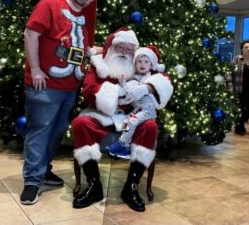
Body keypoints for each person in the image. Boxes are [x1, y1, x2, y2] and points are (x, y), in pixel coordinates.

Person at [71, 28, 173, 212]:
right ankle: (94, 184)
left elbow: (164, 79)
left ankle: (131, 186)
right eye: (121, 47)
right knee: (80, 124)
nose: (125, 52)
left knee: (149, 126)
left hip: (131, 116)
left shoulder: (140, 63)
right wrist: (115, 94)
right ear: (111, 47)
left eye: (129, 48)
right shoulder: (99, 65)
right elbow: (88, 90)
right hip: (101, 115)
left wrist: (148, 88)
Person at [20, 0, 100, 205]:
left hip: (70, 86)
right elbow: (31, 34)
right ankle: (32, 181)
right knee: (40, 130)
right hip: (44, 83)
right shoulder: (49, 5)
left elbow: (78, 50)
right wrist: (35, 69)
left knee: (56, 131)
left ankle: (43, 170)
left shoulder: (84, 19)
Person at [106, 45, 172, 159]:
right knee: (126, 122)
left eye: (146, 62)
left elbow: (158, 87)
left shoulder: (151, 78)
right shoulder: (132, 78)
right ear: (135, 64)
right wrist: (122, 83)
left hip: (148, 110)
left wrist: (145, 87)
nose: (142, 64)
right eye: (139, 61)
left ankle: (119, 144)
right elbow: (128, 93)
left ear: (151, 65)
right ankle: (126, 148)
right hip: (137, 109)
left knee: (132, 121)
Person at [227, 41, 249, 135]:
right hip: (239, 88)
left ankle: (240, 122)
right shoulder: (237, 59)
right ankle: (240, 127)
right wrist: (230, 87)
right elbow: (228, 73)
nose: (248, 49)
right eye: (246, 47)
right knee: (240, 108)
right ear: (242, 49)